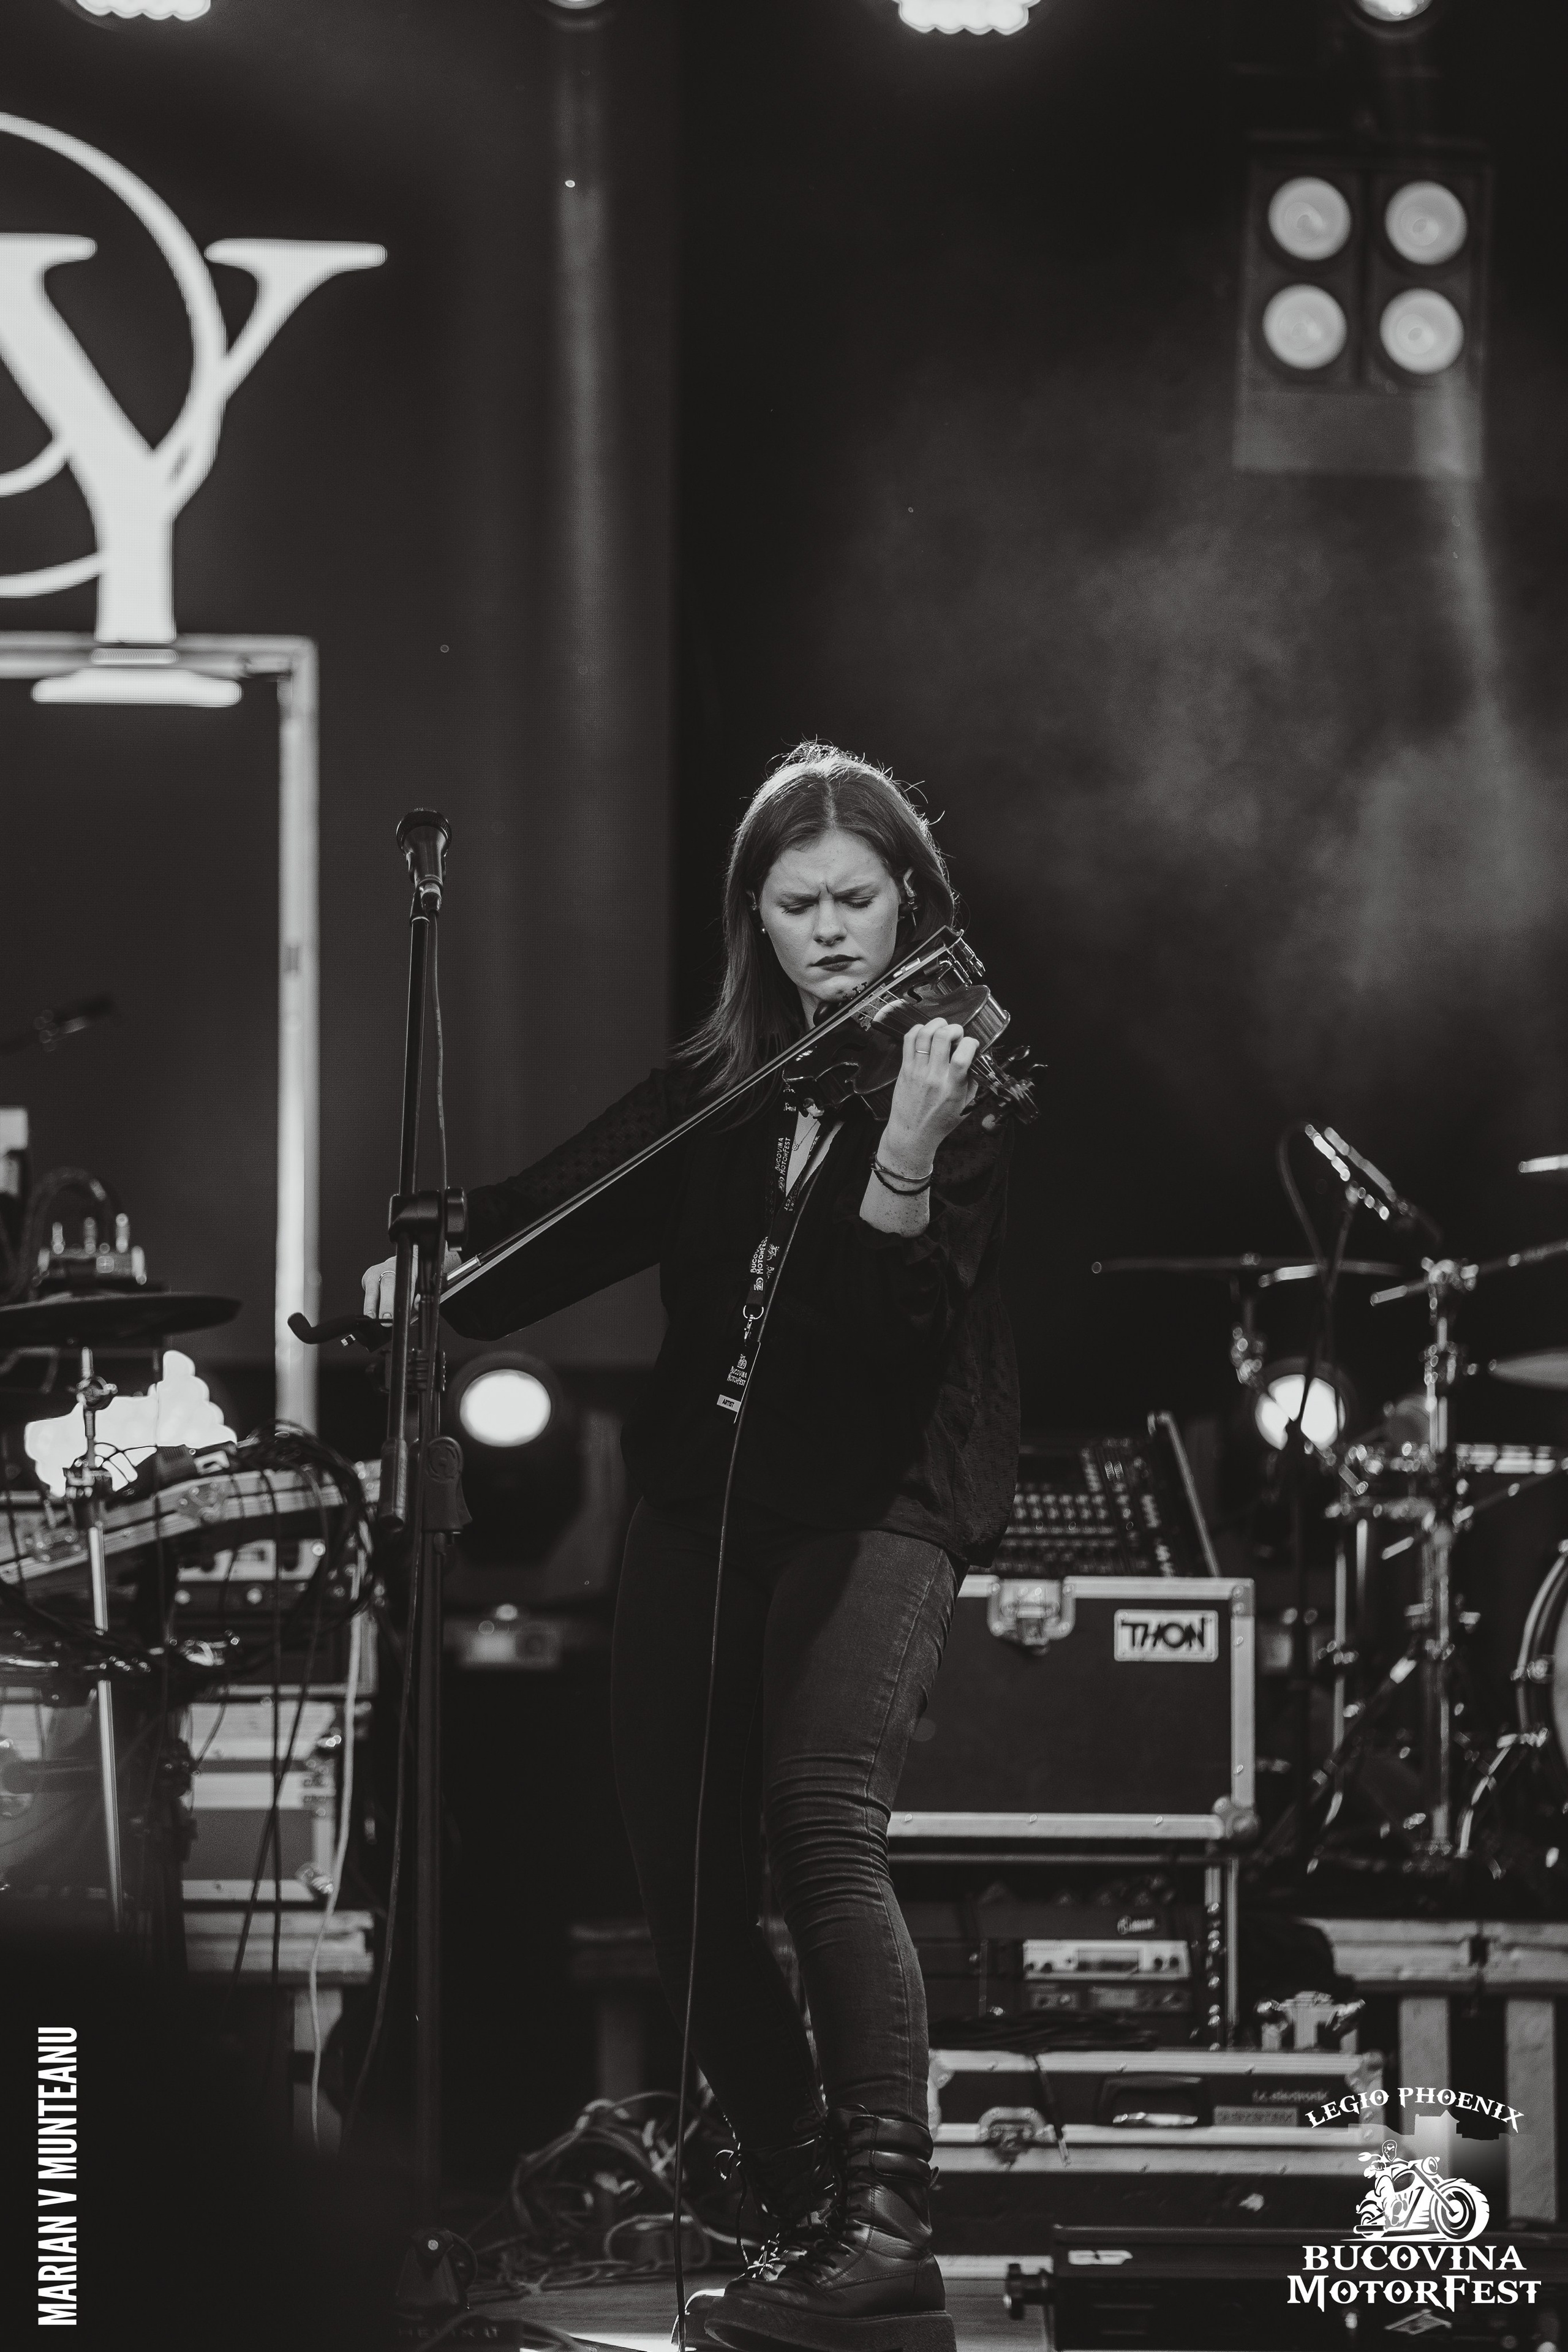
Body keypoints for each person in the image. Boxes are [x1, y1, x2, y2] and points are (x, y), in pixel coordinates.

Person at [363, 743, 1020, 2352]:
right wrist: (437, 1272)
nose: (831, 933)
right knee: (684, 1877)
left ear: (909, 899)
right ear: (757, 921)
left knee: (820, 1824)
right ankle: (804, 2212)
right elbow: (574, 1206)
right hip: (708, 1495)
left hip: (882, 1499)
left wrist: (903, 1158)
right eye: (797, 907)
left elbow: (888, 1345)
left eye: (856, 900)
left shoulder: (954, 1085)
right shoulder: (725, 1086)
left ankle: (888, 2219)